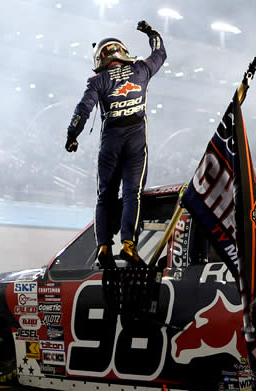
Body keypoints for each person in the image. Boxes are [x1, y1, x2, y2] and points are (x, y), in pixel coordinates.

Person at [64, 20, 166, 268]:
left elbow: (83, 109)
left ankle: (103, 247)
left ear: (101, 59)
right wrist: (152, 32)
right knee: (133, 193)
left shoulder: (97, 80)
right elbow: (160, 52)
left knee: (105, 196)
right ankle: (129, 244)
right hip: (136, 140)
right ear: (123, 52)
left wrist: (72, 135)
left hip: (110, 141)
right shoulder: (142, 69)